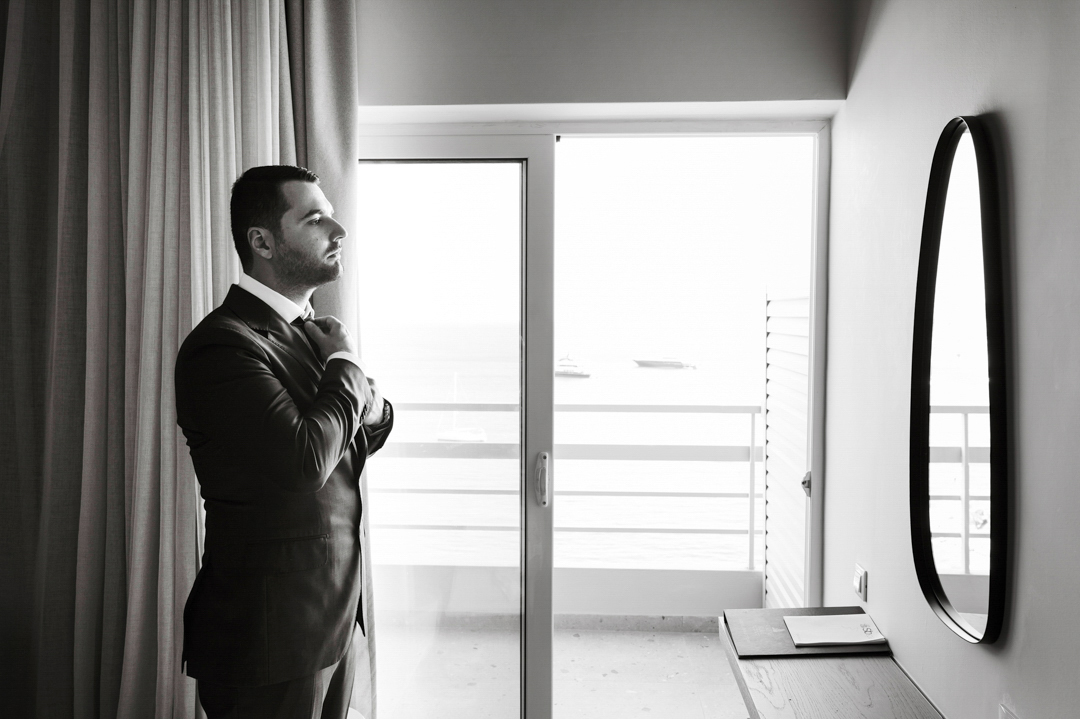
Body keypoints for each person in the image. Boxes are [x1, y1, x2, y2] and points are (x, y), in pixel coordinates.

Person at [175, 165, 393, 718]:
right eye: (315, 219)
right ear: (262, 241)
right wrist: (346, 366)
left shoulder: (312, 333)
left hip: (332, 622)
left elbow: (358, 437)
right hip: (268, 640)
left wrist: (370, 403)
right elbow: (305, 462)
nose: (339, 230)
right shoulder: (223, 346)